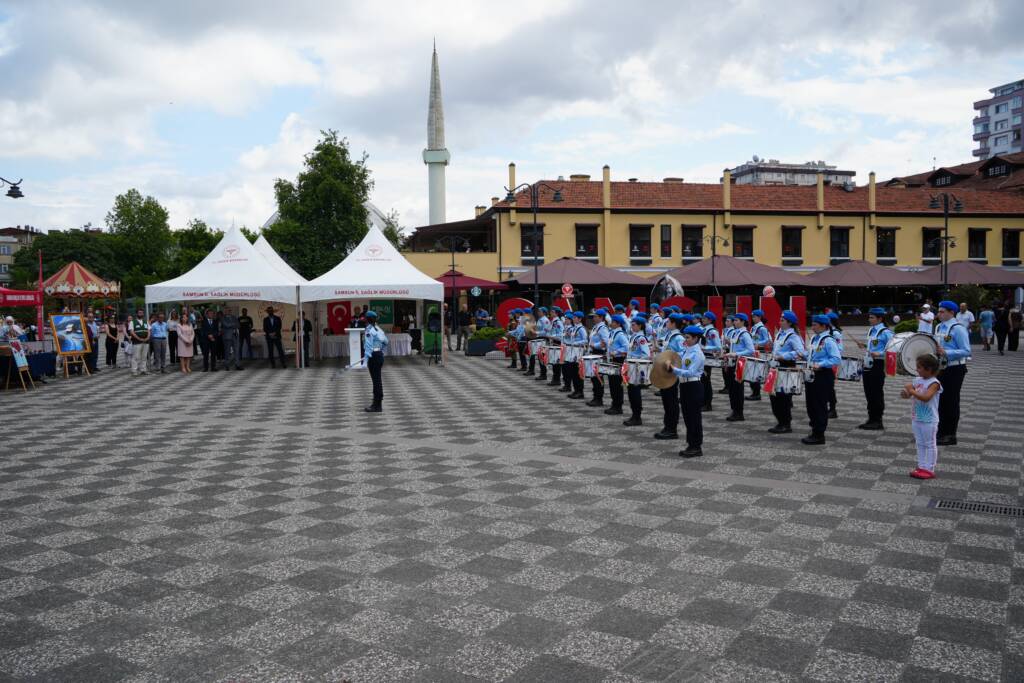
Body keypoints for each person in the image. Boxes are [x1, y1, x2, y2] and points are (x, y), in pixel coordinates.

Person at [901, 353, 942, 479]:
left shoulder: (934, 383)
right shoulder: (917, 380)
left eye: (919, 367)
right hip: (917, 417)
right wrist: (905, 393)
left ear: (928, 369)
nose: (917, 370)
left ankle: (929, 468)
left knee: (929, 443)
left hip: (929, 419)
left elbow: (926, 397)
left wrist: (912, 391)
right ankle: (921, 466)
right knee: (919, 443)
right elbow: (909, 395)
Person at [934, 300, 970, 446]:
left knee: (951, 401)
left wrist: (947, 352)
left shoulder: (958, 328)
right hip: (940, 368)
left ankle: (950, 434)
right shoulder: (938, 327)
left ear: (951, 312)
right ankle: (940, 432)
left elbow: (966, 351)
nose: (939, 314)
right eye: (939, 311)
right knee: (940, 401)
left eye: (942, 311)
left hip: (955, 369)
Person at [802, 314, 841, 445]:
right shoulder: (814, 339)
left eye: (815, 324)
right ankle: (814, 430)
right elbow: (810, 354)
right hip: (811, 374)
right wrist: (802, 355)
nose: (812, 327)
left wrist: (821, 364)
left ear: (823, 326)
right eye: (812, 324)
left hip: (823, 375)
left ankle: (819, 434)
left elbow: (836, 358)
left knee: (819, 405)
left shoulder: (829, 340)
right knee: (811, 404)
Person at [767, 310, 805, 434]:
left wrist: (784, 356)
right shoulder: (780, 334)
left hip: (786, 367)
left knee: (784, 398)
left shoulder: (793, 336)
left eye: (782, 320)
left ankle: (786, 424)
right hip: (775, 367)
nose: (780, 321)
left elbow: (801, 352)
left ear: (789, 323)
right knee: (773, 396)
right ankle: (780, 422)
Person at [671, 324, 706, 458]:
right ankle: (691, 444)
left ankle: (696, 446)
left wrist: (674, 370)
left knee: (694, 418)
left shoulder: (697, 354)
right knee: (687, 417)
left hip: (693, 386)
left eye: (688, 337)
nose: (685, 340)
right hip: (685, 387)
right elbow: (678, 357)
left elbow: (690, 372)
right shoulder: (687, 350)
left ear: (696, 338)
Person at [859, 308, 893, 431]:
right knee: (869, 392)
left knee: (876, 393)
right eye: (869, 317)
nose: (869, 319)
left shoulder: (886, 332)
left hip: (878, 365)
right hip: (868, 364)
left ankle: (878, 420)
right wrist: (864, 346)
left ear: (880, 319)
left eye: (872, 317)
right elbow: (873, 346)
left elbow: (892, 349)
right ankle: (871, 418)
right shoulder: (872, 330)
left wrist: (879, 354)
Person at [655, 312, 686, 440]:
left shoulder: (678, 338)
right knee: (666, 400)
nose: (666, 323)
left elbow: (683, 353)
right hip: (665, 370)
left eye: (668, 322)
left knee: (671, 400)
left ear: (673, 323)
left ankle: (672, 429)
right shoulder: (669, 335)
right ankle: (667, 426)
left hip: (672, 371)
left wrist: (671, 360)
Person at [725, 313, 754, 422]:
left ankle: (739, 412)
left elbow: (750, 350)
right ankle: (734, 410)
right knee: (732, 388)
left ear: (743, 322)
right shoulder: (735, 332)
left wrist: (736, 354)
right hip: (732, 363)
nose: (734, 322)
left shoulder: (745, 334)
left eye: (736, 320)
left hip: (739, 363)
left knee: (737, 389)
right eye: (734, 320)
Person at [623, 315, 651, 426]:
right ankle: (634, 415)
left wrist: (635, 360)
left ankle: (637, 416)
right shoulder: (633, 336)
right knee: (631, 391)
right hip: (630, 366)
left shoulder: (641, 338)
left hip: (636, 368)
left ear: (640, 326)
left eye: (634, 325)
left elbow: (646, 355)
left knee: (635, 392)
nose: (632, 326)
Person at [604, 314, 629, 415]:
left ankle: (618, 406)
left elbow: (626, 347)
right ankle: (614, 404)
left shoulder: (620, 334)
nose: (611, 323)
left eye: (613, 322)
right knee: (612, 383)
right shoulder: (613, 333)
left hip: (618, 360)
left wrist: (617, 352)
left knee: (616, 384)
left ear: (618, 323)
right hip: (612, 360)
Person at [364, 310, 388, 412]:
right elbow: (386, 342)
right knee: (378, 380)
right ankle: (377, 403)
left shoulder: (369, 330)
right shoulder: (378, 329)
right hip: (379, 355)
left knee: (376, 381)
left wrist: (365, 360)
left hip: (373, 356)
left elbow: (368, 346)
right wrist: (380, 350)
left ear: (368, 319)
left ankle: (376, 405)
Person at [586, 309, 611, 407]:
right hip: (594, 353)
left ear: (601, 317)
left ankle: (599, 398)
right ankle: (595, 397)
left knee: (598, 377)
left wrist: (594, 345)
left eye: (596, 316)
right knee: (594, 377)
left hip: (599, 353)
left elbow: (605, 342)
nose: (594, 318)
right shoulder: (596, 327)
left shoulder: (603, 328)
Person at [747, 309, 771, 401]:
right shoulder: (754, 327)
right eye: (752, 317)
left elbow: (767, 340)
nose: (753, 318)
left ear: (760, 317)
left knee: (755, 372)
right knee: (751, 372)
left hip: (758, 351)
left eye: (755, 317)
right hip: (753, 350)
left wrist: (758, 344)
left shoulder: (762, 328)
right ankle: (754, 392)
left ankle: (757, 393)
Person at [700, 312, 720, 412]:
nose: (702, 319)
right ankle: (703, 402)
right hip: (702, 357)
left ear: (710, 320)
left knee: (706, 381)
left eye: (705, 318)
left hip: (708, 357)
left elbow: (718, 346)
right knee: (702, 381)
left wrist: (705, 347)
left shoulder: (712, 331)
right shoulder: (704, 329)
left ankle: (708, 404)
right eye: (702, 318)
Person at [566, 310, 587, 399]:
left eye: (575, 318)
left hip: (578, 352)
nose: (573, 319)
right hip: (572, 352)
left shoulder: (581, 329)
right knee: (573, 372)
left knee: (577, 373)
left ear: (580, 319)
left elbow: (586, 340)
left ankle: (580, 391)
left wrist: (576, 343)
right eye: (573, 317)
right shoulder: (574, 328)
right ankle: (576, 390)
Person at [826, 311, 843, 419]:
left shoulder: (835, 333)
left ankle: (833, 409)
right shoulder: (827, 331)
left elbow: (840, 348)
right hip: (825, 362)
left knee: (830, 387)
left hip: (831, 363)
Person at [128, 308, 150, 376]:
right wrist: (139, 338)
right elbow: (131, 332)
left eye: (142, 313)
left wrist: (147, 337)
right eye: (139, 313)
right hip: (137, 342)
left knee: (144, 356)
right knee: (136, 357)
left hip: (146, 342)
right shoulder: (132, 322)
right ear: (137, 314)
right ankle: (134, 370)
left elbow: (149, 330)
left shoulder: (146, 321)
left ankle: (143, 369)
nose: (141, 314)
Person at [530, 307, 551, 379]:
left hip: (543, 339)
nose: (538, 312)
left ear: (544, 312)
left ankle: (543, 374)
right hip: (539, 339)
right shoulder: (540, 319)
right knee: (540, 357)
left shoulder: (545, 320)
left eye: (540, 311)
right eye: (538, 311)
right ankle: (542, 373)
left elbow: (545, 332)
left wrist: (535, 332)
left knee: (542, 356)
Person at [546, 306, 564, 387]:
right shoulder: (554, 321)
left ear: (556, 313)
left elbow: (560, 335)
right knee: (554, 362)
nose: (551, 313)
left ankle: (557, 379)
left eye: (552, 312)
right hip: (553, 343)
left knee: (556, 363)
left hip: (557, 343)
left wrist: (552, 337)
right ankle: (555, 379)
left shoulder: (558, 322)